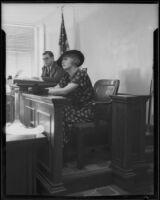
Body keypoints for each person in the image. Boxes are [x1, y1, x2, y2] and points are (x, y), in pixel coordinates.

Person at [47, 50, 95, 145]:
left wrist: (44, 91)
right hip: (74, 108)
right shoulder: (66, 75)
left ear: (75, 61)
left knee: (59, 112)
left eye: (65, 59)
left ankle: (61, 147)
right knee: (54, 111)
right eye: (62, 60)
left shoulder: (81, 73)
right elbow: (56, 88)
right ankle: (57, 145)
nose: (62, 62)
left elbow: (64, 91)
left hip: (86, 110)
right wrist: (41, 88)